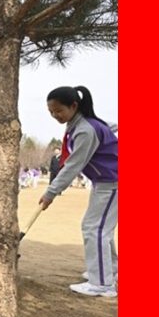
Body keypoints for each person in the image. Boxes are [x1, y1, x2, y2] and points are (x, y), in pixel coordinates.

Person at [39, 85, 118, 298]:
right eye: (51, 112)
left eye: (59, 111)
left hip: (112, 182)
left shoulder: (85, 129)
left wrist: (51, 193)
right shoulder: (79, 124)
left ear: (74, 106)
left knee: (96, 229)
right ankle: (109, 271)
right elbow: (113, 126)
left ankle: (102, 283)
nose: (55, 116)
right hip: (103, 183)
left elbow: (73, 165)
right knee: (98, 227)